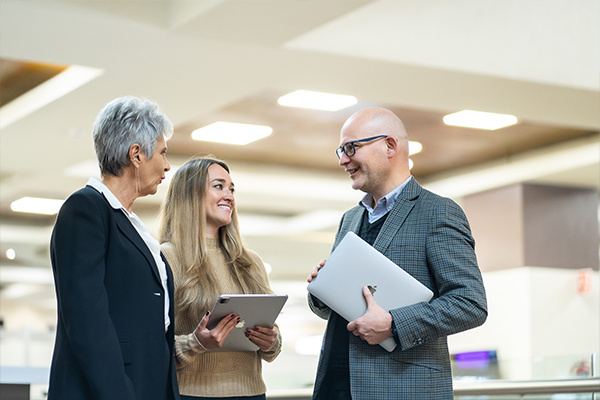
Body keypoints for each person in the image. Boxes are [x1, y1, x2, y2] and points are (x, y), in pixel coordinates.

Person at [307, 107, 488, 400]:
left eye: (351, 147)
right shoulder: (350, 219)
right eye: (341, 150)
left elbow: (470, 304)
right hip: (337, 386)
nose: (343, 160)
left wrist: (393, 324)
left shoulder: (438, 212)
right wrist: (321, 289)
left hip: (401, 388)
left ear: (390, 146)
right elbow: (342, 307)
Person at [48, 96, 179, 400]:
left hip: (145, 384)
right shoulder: (85, 209)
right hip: (110, 390)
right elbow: (86, 321)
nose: (167, 165)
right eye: (162, 152)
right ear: (136, 154)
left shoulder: (132, 224)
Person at [159, 156, 282, 400]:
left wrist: (270, 341)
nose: (229, 196)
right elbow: (151, 347)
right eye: (219, 186)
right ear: (190, 194)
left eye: (232, 188)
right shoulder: (166, 257)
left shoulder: (250, 262)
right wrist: (197, 342)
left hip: (252, 392)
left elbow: (272, 343)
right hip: (191, 394)